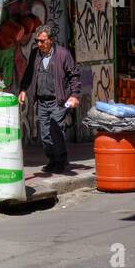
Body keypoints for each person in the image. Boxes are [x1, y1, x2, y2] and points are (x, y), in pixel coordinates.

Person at [17, 24, 81, 174]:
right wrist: (23, 89)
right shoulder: (35, 54)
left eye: (42, 41)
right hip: (42, 100)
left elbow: (74, 75)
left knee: (55, 131)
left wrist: (74, 95)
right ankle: (52, 160)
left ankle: (60, 161)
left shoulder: (63, 54)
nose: (39, 44)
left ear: (51, 40)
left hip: (58, 100)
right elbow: (29, 72)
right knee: (45, 134)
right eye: (37, 41)